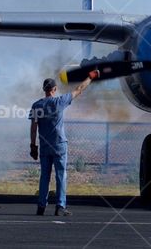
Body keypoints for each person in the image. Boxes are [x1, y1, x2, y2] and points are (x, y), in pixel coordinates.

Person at [29, 73, 95, 216]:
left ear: (44, 89)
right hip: (59, 145)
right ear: (54, 89)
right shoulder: (59, 102)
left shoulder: (37, 105)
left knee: (44, 176)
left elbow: (34, 127)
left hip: (44, 146)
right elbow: (79, 89)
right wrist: (90, 76)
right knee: (61, 175)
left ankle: (41, 206)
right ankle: (60, 206)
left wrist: (33, 146)